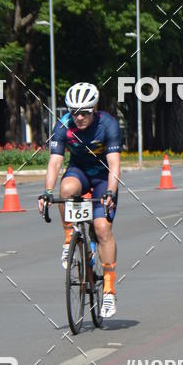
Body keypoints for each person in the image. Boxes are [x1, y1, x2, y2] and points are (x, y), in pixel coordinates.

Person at [38, 82, 121, 319]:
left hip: (103, 178)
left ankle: (108, 289)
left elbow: (114, 164)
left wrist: (111, 192)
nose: (79, 117)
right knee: (66, 189)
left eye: (84, 112)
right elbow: (55, 162)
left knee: (102, 227)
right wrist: (47, 191)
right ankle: (68, 239)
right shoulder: (63, 125)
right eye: (74, 111)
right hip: (80, 173)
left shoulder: (108, 124)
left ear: (94, 108)